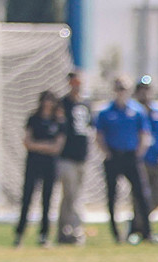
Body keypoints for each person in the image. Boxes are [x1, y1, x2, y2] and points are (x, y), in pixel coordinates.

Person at [93, 76, 155, 245]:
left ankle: (147, 231)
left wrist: (139, 153)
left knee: (142, 195)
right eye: (118, 88)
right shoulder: (106, 112)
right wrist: (106, 152)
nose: (121, 92)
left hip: (131, 156)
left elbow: (144, 134)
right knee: (112, 196)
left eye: (124, 88)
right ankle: (116, 234)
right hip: (114, 156)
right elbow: (98, 135)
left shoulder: (137, 111)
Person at [15, 91, 65, 247]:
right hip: (33, 163)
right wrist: (45, 146)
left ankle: (44, 235)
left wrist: (38, 146)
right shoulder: (33, 119)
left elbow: (57, 147)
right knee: (27, 198)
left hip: (50, 165)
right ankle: (20, 234)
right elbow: (27, 141)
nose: (48, 103)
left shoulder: (58, 121)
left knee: (47, 200)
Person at [56, 71, 94, 245]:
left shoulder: (86, 104)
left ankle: (63, 230)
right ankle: (76, 231)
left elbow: (89, 128)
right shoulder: (63, 104)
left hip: (82, 157)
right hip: (66, 156)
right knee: (72, 195)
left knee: (72, 196)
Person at [135, 77, 158, 211]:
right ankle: (140, 225)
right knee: (140, 195)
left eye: (147, 89)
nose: (144, 93)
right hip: (140, 160)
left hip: (156, 158)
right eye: (141, 89)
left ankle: (141, 222)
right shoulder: (134, 112)